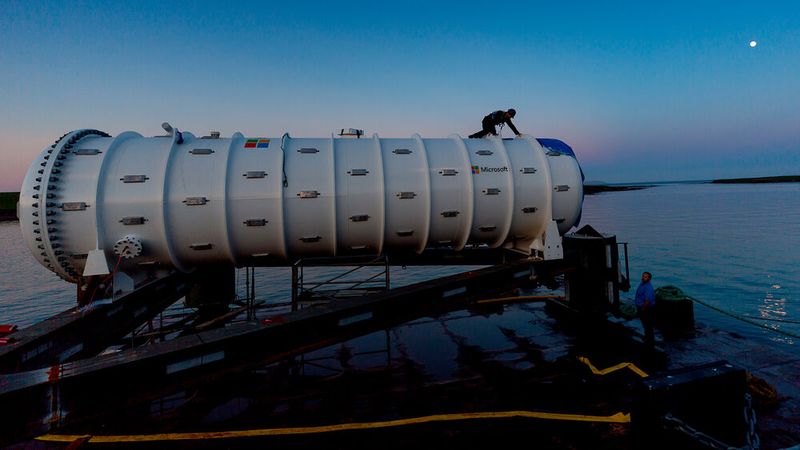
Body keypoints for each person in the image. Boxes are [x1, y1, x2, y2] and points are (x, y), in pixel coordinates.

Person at [635, 271, 656, 348]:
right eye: (643, 276)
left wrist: (642, 309)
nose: (643, 278)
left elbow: (647, 301)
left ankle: (649, 342)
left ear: (649, 279)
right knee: (645, 325)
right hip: (642, 307)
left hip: (646, 309)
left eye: (645, 277)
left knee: (648, 325)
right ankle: (648, 339)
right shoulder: (642, 284)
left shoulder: (648, 287)